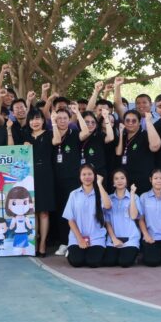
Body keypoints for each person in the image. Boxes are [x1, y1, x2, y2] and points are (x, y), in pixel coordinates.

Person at [52, 106, 93, 254]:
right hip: (56, 179)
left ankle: (74, 242)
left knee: (74, 212)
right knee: (61, 212)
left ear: (70, 120)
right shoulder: (52, 133)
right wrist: (53, 123)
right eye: (59, 118)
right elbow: (55, 142)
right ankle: (64, 242)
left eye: (65, 118)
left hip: (73, 179)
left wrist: (78, 114)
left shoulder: (74, 133)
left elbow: (86, 132)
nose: (62, 121)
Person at [62, 164, 113, 268]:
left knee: (93, 262)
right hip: (77, 237)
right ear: (80, 176)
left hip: (96, 237)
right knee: (76, 262)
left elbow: (108, 205)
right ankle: (71, 251)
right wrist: (80, 239)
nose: (87, 177)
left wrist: (99, 184)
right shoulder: (74, 194)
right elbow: (70, 220)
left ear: (94, 175)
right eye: (84, 174)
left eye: (90, 174)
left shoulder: (100, 193)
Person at [23, 110, 54, 255]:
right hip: (29, 176)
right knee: (32, 212)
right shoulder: (25, 136)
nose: (34, 122)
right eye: (32, 119)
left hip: (45, 175)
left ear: (43, 120)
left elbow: (57, 141)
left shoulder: (49, 134)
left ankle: (43, 244)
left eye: (38, 119)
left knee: (44, 212)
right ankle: (34, 242)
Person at [114, 109, 160, 193]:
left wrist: (148, 121)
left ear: (139, 122)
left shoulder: (145, 135)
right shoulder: (123, 137)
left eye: (134, 121)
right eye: (127, 120)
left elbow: (155, 146)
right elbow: (118, 153)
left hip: (142, 183)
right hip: (125, 183)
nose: (130, 123)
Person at [102, 170, 141, 268]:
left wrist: (132, 195)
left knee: (125, 262)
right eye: (116, 178)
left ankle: (134, 254)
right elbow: (107, 222)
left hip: (130, 239)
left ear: (126, 181)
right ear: (113, 182)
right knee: (109, 262)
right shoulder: (109, 198)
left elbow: (134, 216)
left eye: (122, 178)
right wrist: (114, 239)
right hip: (113, 239)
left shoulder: (135, 197)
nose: (119, 181)